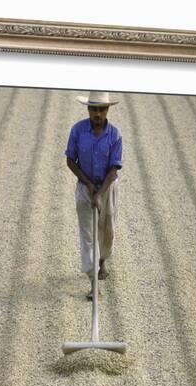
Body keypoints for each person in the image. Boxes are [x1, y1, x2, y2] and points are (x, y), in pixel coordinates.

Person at [65, 90, 123, 299]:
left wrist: (100, 193)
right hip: (85, 187)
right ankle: (93, 283)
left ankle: (102, 261)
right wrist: (89, 186)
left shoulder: (115, 135)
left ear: (107, 110)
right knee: (88, 236)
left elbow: (114, 168)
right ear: (88, 110)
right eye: (94, 109)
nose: (97, 114)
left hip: (108, 187)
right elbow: (70, 160)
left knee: (107, 229)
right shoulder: (77, 131)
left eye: (101, 110)